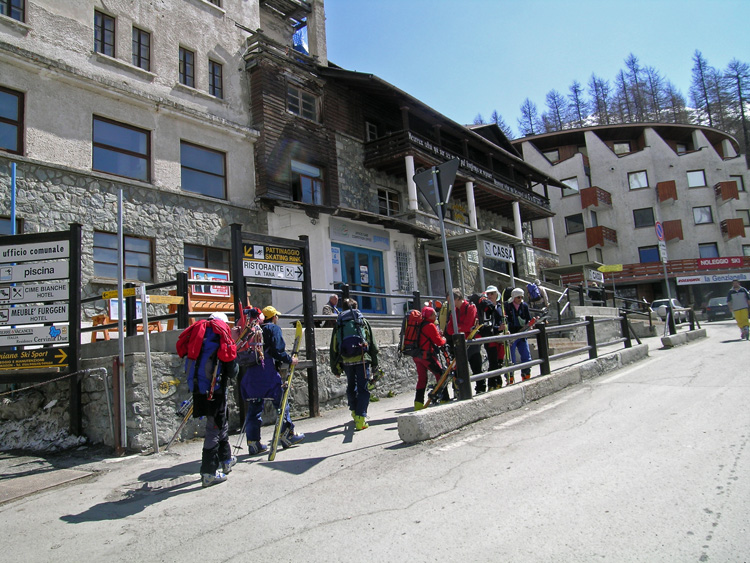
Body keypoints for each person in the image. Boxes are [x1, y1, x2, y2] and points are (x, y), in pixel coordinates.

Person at [175, 311, 238, 487]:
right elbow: (232, 370)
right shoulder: (220, 338)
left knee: (220, 424)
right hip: (215, 390)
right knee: (214, 428)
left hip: (199, 388)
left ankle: (225, 460)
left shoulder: (200, 335)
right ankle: (208, 472)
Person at [239, 305, 305, 455]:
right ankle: (287, 435)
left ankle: (253, 443)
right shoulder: (273, 329)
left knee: (254, 408)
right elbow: (277, 351)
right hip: (267, 373)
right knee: (282, 404)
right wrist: (290, 359)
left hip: (251, 374)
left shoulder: (253, 330)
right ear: (274, 317)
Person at [330, 299, 379, 431]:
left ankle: (354, 411)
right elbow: (372, 344)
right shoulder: (362, 321)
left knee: (351, 386)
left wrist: (335, 367)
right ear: (356, 307)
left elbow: (334, 346)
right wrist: (375, 364)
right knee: (363, 388)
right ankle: (361, 419)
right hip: (362, 359)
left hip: (346, 360)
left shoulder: (340, 323)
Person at [444, 288, 482, 396]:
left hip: (471, 341)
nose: (449, 304)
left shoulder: (470, 308)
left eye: (450, 301)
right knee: (459, 368)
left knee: (476, 366)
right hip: (460, 343)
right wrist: (462, 328)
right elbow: (449, 329)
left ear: (457, 299)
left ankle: (480, 388)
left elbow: (469, 325)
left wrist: (458, 328)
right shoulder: (454, 311)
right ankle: (460, 390)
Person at [412, 306, 447, 410]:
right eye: (433, 314)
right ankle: (444, 398)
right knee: (440, 375)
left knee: (422, 379)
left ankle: (418, 404)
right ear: (429, 316)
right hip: (427, 356)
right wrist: (444, 339)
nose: (435, 316)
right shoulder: (430, 326)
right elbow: (439, 342)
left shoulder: (419, 325)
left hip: (417, 356)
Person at [505, 288, 536, 383]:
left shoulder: (524, 306)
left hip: (522, 334)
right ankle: (510, 378)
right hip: (511, 335)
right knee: (511, 358)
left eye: (522, 297)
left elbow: (528, 318)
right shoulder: (507, 306)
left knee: (526, 355)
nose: (520, 299)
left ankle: (526, 375)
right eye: (518, 297)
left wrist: (530, 325)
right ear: (513, 297)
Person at [482, 286, 507, 391]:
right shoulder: (486, 308)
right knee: (493, 362)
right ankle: (492, 384)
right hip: (490, 337)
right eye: (488, 294)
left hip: (500, 338)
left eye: (492, 293)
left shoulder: (500, 307)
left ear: (497, 294)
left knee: (499, 361)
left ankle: (498, 382)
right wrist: (497, 328)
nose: (490, 296)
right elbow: (486, 324)